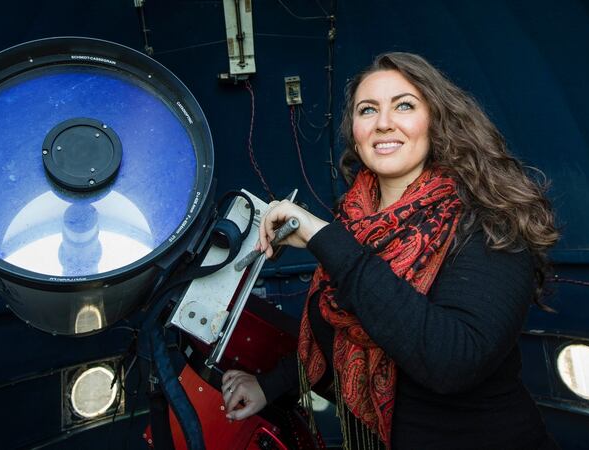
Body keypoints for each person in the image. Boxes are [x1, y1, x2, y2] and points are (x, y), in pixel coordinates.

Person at [220, 52, 559, 449]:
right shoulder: (353, 221)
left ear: (436, 119)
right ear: (355, 131)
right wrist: (269, 385)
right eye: (368, 110)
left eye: (404, 105)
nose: (383, 123)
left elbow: (451, 361)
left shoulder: (490, 221)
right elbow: (338, 331)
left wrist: (328, 241)